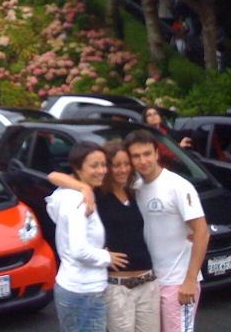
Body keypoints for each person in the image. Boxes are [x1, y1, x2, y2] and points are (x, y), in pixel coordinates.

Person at [50, 140, 160, 332]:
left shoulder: (135, 191)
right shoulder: (92, 196)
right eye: (115, 164)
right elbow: (53, 176)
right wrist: (83, 188)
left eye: (126, 164)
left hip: (146, 283)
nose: (122, 169)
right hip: (110, 286)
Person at [125, 129, 209, 332]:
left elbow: (202, 232)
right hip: (150, 282)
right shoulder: (135, 188)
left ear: (156, 153)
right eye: (136, 156)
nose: (143, 160)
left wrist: (189, 280)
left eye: (147, 154)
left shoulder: (178, 186)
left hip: (178, 282)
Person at [45, 141, 127, 332]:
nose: (102, 171)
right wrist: (107, 257)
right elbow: (79, 250)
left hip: (74, 287)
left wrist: (85, 187)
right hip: (84, 292)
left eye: (103, 165)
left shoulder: (65, 194)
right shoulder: (79, 202)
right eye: (94, 166)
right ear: (77, 168)